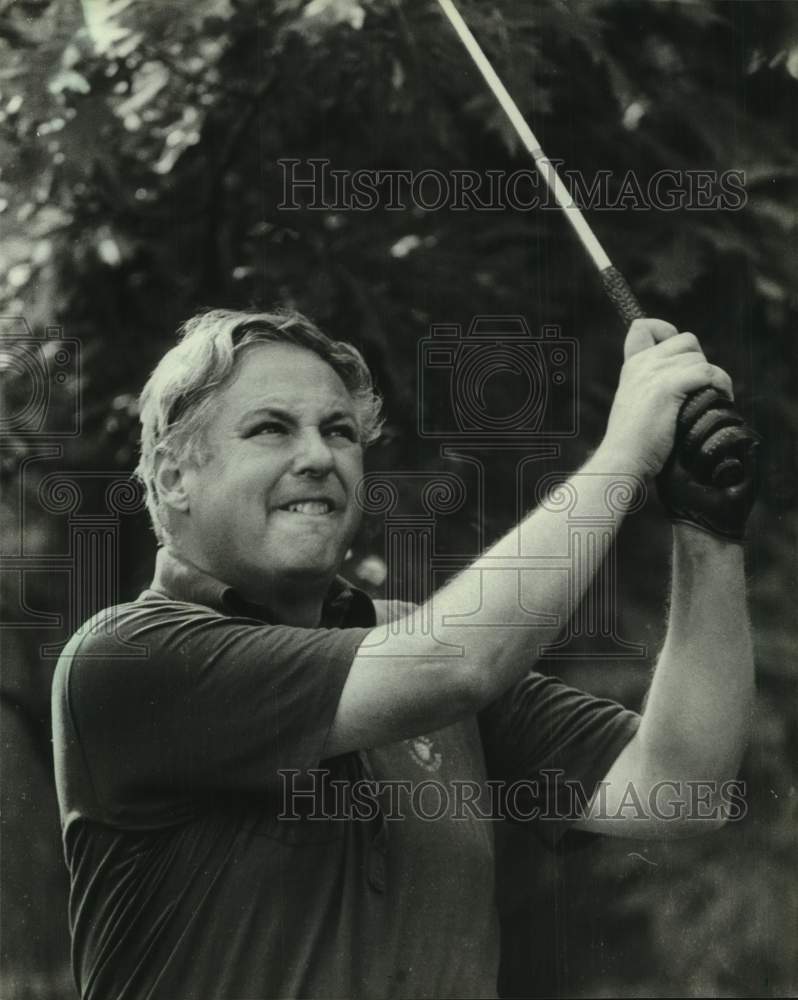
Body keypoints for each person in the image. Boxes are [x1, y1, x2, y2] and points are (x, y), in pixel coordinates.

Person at [51, 308, 755, 999]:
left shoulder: (407, 642)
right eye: (271, 428)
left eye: (340, 432)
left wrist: (708, 530)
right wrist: (625, 453)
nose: (319, 457)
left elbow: (680, 787)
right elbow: (454, 663)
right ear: (173, 475)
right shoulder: (129, 658)